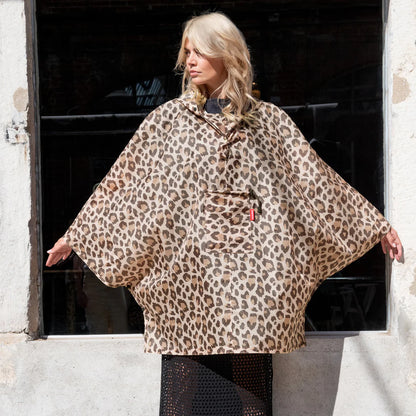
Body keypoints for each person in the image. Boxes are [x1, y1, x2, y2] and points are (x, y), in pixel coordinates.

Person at [46, 11, 402, 416]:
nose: (190, 61)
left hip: (250, 280)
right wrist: (78, 234)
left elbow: (312, 178)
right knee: (181, 390)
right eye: (187, 52)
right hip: (186, 279)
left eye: (199, 51)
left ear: (226, 53)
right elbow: (126, 182)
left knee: (251, 387)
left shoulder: (267, 122)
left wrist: (373, 224)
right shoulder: (167, 122)